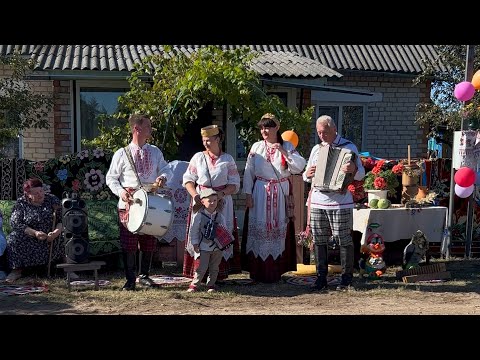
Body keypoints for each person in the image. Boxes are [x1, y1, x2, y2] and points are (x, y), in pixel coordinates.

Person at [106, 114, 168, 291]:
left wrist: (162, 177)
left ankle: (145, 276)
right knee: (129, 241)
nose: (150, 129)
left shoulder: (155, 151)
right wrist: (121, 192)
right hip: (130, 201)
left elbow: (165, 169)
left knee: (149, 238)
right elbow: (111, 178)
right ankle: (130, 279)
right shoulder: (122, 153)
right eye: (147, 126)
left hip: (150, 199)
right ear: (137, 129)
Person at [302, 115, 365, 291]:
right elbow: (305, 176)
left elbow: (361, 174)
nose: (322, 136)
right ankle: (321, 278)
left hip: (340, 201)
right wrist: (309, 173)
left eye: (325, 132)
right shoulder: (316, 149)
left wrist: (353, 169)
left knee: (344, 239)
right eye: (319, 132)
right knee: (319, 239)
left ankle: (346, 279)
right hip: (318, 200)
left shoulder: (349, 147)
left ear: (334, 129)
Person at [242, 113, 306, 283]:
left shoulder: (287, 145)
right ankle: (257, 272)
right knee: (259, 231)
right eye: (262, 127)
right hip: (260, 192)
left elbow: (299, 166)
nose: (264, 130)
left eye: (268, 126)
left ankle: (276, 272)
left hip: (279, 192)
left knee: (278, 228)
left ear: (277, 127)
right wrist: (248, 194)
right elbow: (248, 171)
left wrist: (284, 151)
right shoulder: (256, 147)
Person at [182, 125, 241, 282]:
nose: (206, 143)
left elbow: (235, 184)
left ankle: (218, 275)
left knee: (219, 233)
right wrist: (195, 196)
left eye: (209, 140)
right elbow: (188, 179)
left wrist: (221, 194)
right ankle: (198, 274)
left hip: (221, 203)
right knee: (200, 232)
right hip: (202, 201)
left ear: (218, 139)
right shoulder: (198, 158)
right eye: (204, 140)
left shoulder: (227, 159)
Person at [4, 178, 64, 283]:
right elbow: (16, 223)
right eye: (35, 193)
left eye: (41, 191)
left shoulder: (52, 199)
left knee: (67, 236)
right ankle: (16, 271)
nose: (40, 194)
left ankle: (68, 268)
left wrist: (55, 233)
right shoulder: (21, 203)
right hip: (30, 235)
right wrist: (35, 232)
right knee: (13, 238)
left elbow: (63, 220)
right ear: (28, 194)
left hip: (51, 236)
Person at [186, 188, 227, 293]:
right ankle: (195, 284)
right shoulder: (198, 216)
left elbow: (224, 230)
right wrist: (194, 243)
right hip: (204, 246)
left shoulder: (220, 216)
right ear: (203, 202)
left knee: (214, 267)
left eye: (215, 200)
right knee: (202, 267)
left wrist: (225, 243)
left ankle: (211, 284)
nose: (212, 203)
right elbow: (194, 231)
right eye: (210, 201)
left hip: (217, 247)